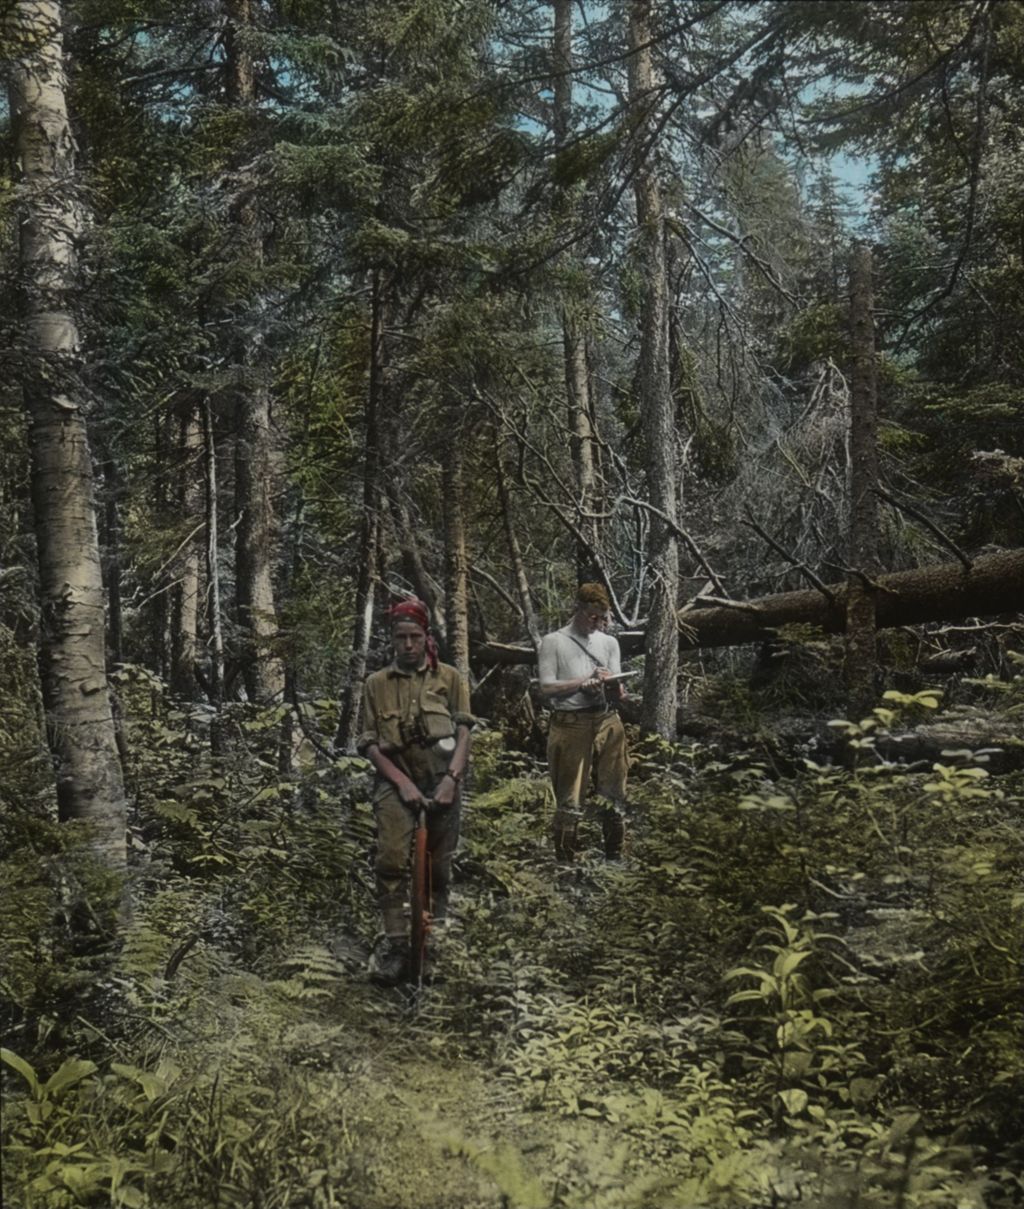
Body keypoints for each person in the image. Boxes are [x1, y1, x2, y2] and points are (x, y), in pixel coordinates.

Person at [357, 599, 473, 984]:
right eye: (400, 637)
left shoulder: (451, 679)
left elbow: (463, 733)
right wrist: (401, 783)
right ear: (392, 640)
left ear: (427, 638)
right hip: (395, 782)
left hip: (442, 781)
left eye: (415, 637)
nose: (408, 645)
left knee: (439, 868)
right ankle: (395, 943)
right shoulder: (376, 685)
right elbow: (370, 745)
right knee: (390, 860)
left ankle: (434, 943)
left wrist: (451, 781)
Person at [537, 583, 629, 862]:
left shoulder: (609, 643)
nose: (597, 623)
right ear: (577, 608)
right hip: (569, 724)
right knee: (570, 799)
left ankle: (614, 860)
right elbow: (547, 687)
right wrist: (582, 683)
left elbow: (619, 691)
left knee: (614, 795)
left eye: (602, 618)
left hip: (606, 720)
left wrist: (611, 685)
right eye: (592, 616)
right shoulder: (553, 642)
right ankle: (565, 864)